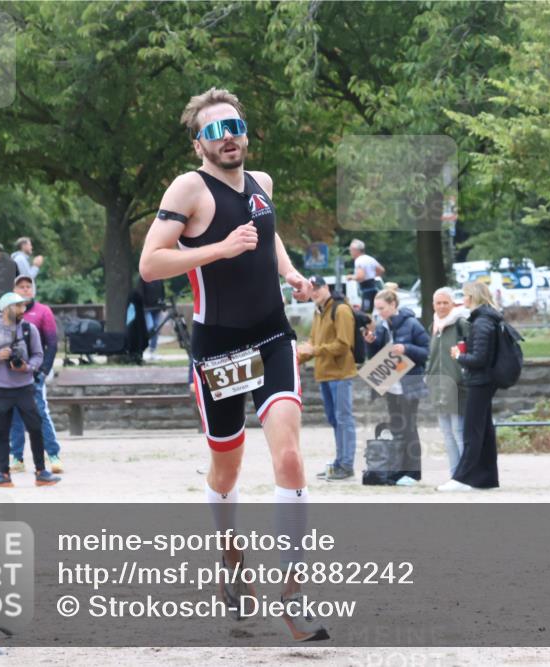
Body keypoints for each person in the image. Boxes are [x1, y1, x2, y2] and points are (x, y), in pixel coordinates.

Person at [138, 87, 327, 641]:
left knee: (290, 457)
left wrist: (289, 273)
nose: (230, 138)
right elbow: (151, 263)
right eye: (216, 131)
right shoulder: (188, 188)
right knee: (227, 466)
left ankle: (293, 591)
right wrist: (220, 248)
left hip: (271, 337)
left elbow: (267, 241)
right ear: (199, 142)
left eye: (236, 127)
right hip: (220, 347)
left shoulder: (263, 184)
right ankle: (230, 562)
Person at [0, 292, 61, 487]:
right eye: (19, 307)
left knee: (35, 428)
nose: (23, 310)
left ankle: (41, 472)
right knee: (2, 432)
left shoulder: (30, 330)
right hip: (1, 388)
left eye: (24, 306)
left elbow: (39, 355)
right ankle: (3, 474)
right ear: (6, 309)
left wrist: (28, 367)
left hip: (25, 387)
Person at [441, 281, 503, 491]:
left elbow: (479, 358)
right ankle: (487, 479)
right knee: (484, 432)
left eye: (465, 296)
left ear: (473, 297)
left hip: (480, 382)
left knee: (471, 432)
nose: (463, 299)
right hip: (484, 381)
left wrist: (460, 355)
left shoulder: (482, 322)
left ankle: (462, 478)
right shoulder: (484, 319)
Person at [363, 289, 430, 481]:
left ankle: (413, 472)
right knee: (397, 427)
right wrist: (371, 343)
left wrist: (406, 348)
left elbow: (427, 351)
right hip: (391, 385)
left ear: (393, 305)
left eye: (382, 308)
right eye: (377, 309)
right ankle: (399, 468)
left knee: (410, 428)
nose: (379, 313)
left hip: (409, 384)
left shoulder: (412, 323)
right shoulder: (384, 326)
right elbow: (377, 355)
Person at [297, 276, 358, 481]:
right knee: (334, 420)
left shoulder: (340, 310)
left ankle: (347, 465)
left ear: (325, 288)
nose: (313, 293)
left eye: (316, 288)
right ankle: (340, 462)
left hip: (340, 374)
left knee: (344, 419)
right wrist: (296, 356)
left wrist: (313, 350)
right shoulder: (318, 311)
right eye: (311, 289)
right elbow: (313, 343)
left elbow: (343, 344)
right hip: (324, 373)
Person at [8, 275, 64, 473]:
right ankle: (16, 457)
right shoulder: (8, 314)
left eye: (28, 286)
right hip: (13, 376)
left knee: (40, 413)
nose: (25, 290)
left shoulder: (43, 312)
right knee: (14, 416)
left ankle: (53, 455)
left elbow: (52, 344)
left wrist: (42, 371)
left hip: (34, 373)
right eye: (21, 287)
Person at [426, 287, 469, 479]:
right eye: (438, 303)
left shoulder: (460, 323)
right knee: (447, 434)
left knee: (459, 432)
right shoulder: (433, 326)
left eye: (446, 302)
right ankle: (454, 474)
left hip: (457, 385)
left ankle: (465, 474)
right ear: (433, 305)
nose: (442, 306)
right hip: (438, 386)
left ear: (452, 304)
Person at [347, 239, 384, 314]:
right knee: (370, 311)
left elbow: (361, 277)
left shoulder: (359, 261)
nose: (350, 252)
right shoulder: (370, 258)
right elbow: (381, 270)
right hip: (373, 286)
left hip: (366, 290)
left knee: (366, 314)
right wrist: (372, 275)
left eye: (351, 250)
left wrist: (351, 277)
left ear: (356, 250)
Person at [135, 277, 166, 361]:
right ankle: (143, 348)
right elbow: (140, 292)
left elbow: (162, 292)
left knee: (156, 329)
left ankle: (152, 350)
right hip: (147, 309)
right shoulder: (143, 278)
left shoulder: (159, 278)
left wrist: (162, 302)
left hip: (156, 308)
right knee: (150, 327)